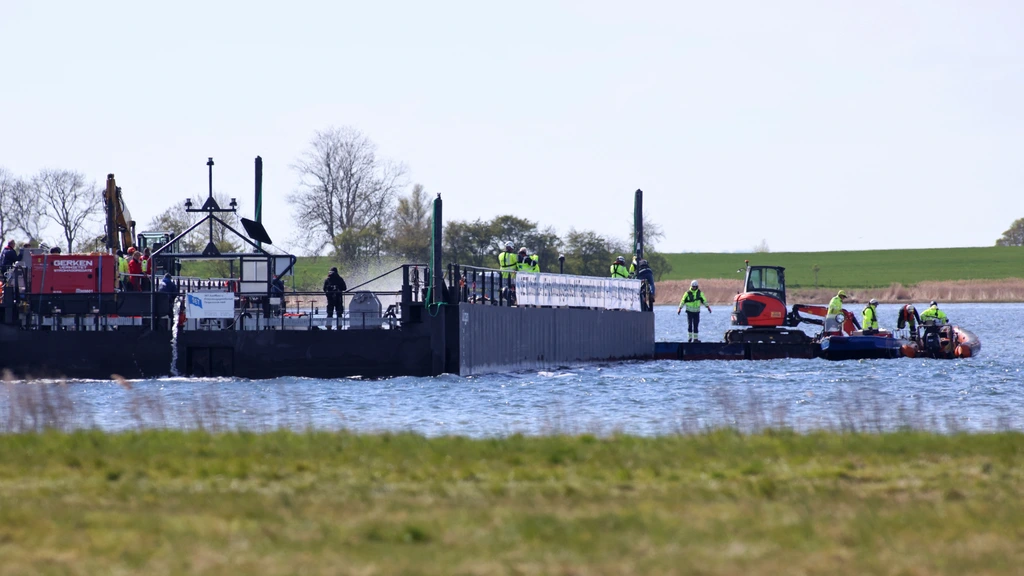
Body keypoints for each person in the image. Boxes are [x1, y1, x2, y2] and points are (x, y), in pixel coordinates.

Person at [497, 241, 518, 305]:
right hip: (511, 275)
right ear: (510, 247)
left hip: (502, 275)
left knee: (502, 288)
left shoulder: (500, 255)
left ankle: (502, 297)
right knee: (512, 289)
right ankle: (512, 300)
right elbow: (519, 260)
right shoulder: (513, 256)